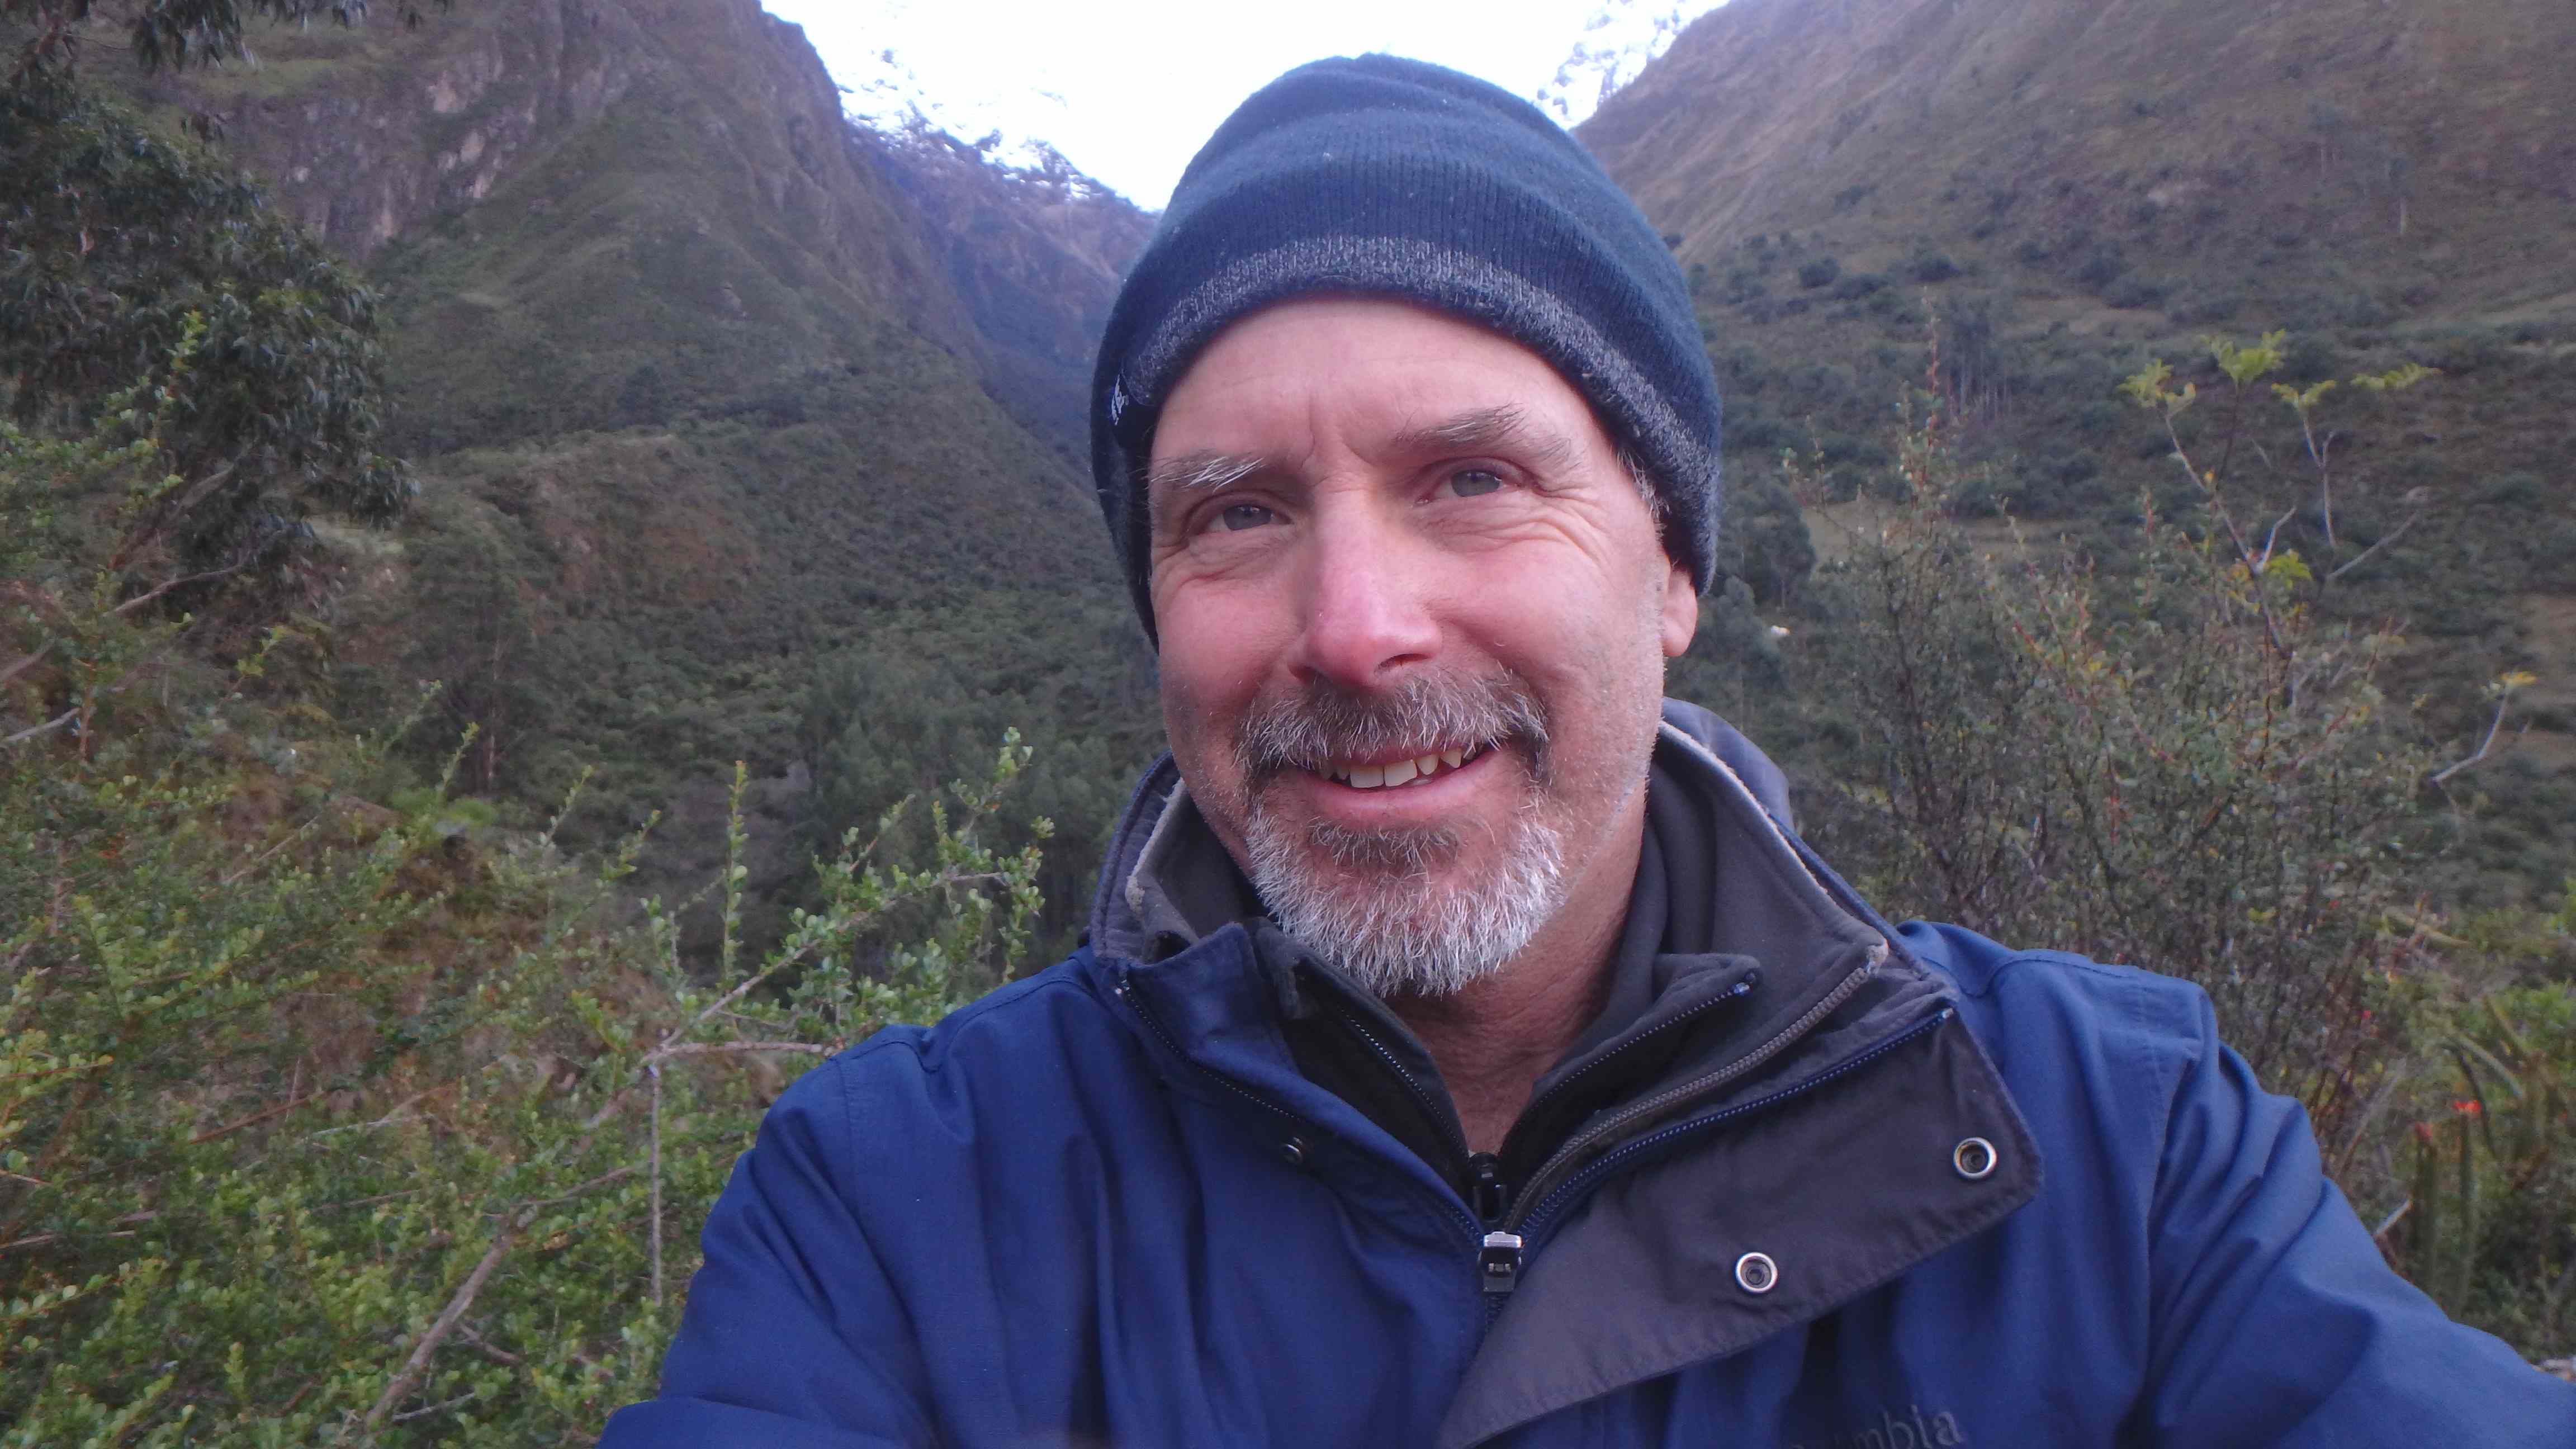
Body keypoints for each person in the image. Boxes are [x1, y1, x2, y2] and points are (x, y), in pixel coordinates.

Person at [602, 56, 2576, 1448]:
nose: (1355, 627)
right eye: (1237, 512)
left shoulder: (2121, 1149)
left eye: (1472, 478)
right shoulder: (893, 1210)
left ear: (1673, 565)